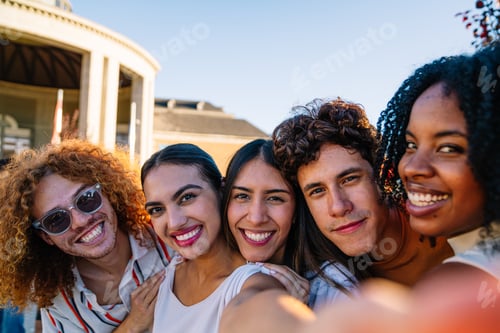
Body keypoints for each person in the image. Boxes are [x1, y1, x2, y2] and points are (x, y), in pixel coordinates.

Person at [271, 98, 453, 309]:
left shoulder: (447, 225)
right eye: (318, 191)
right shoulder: (321, 278)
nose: (339, 207)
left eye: (349, 179)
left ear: (383, 175)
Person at [0, 140, 172, 333]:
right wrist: (132, 325)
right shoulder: (60, 304)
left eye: (86, 199)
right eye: (56, 219)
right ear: (46, 236)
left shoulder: (167, 237)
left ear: (107, 191)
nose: (80, 221)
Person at [140, 143, 285, 333]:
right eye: (157, 210)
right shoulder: (162, 278)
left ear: (222, 190)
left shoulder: (255, 283)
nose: (174, 223)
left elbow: (264, 308)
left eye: (187, 197)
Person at [221, 139, 310, 302]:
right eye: (242, 196)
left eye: (275, 198)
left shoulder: (331, 289)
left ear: (297, 209)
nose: (256, 218)